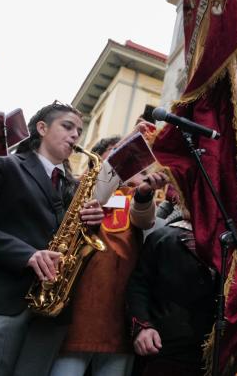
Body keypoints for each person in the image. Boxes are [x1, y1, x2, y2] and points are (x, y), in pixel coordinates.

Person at [0, 102, 104, 376]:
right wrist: (26, 254)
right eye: (67, 127)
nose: (75, 136)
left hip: (50, 309)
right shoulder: (3, 166)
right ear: (42, 128)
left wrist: (90, 225)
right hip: (2, 300)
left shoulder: (74, 186)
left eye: (79, 131)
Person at [50, 134, 168, 376]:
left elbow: (144, 219)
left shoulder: (135, 197)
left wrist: (144, 192)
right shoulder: (81, 185)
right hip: (78, 312)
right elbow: (98, 191)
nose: (136, 164)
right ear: (101, 161)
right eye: (120, 152)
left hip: (119, 315)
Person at [126, 207, 215, 376]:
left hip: (205, 352)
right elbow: (139, 285)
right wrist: (142, 327)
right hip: (163, 347)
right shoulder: (162, 237)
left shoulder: (226, 244)